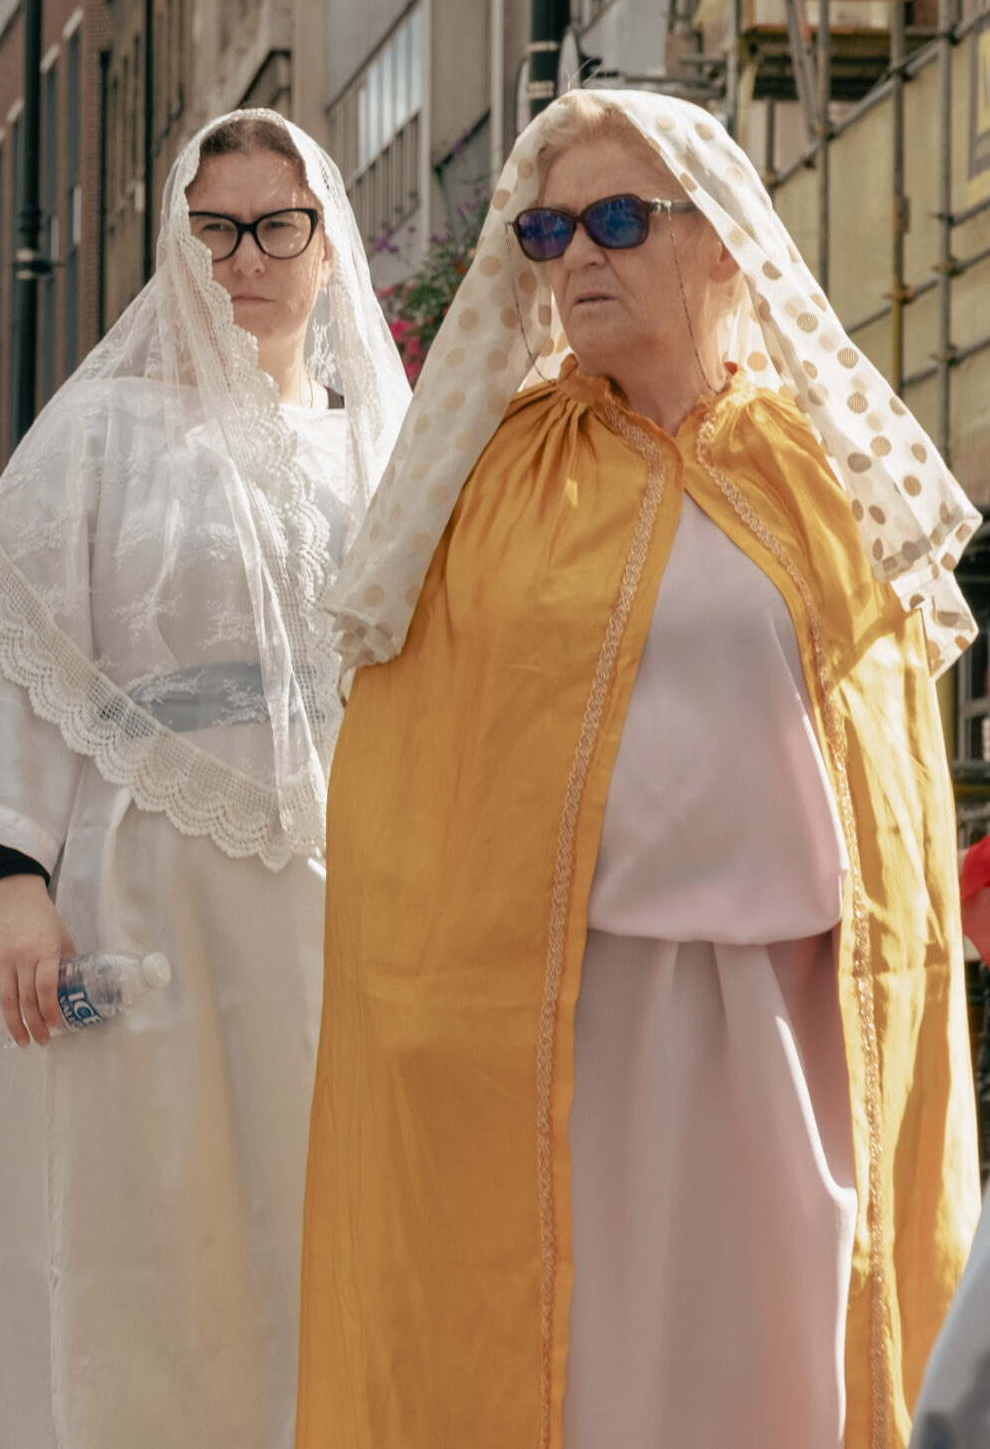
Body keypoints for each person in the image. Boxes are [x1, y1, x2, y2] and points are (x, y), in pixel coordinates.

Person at [305, 88, 982, 1448]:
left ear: (724, 240)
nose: (577, 258)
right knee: (585, 1366)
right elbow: (420, 755)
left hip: (802, 1011)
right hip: (572, 1020)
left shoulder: (817, 466)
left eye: (619, 218)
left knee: (790, 1356)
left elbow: (895, 747)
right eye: (549, 230)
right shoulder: (496, 481)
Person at [0, 112, 407, 1447]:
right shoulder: (101, 434)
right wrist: (15, 885)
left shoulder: (381, 453)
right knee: (142, 1224)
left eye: (276, 226)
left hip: (334, 897)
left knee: (312, 1216)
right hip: (144, 889)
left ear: (325, 243)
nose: (246, 257)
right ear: (181, 246)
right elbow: (15, 660)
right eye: (216, 227)